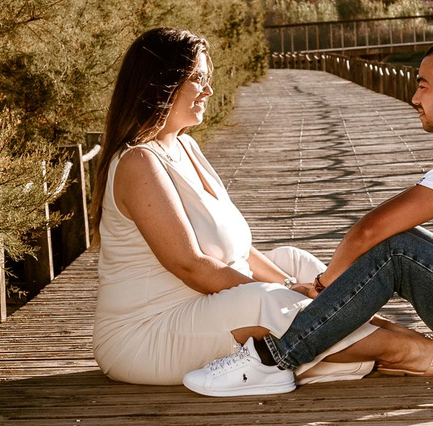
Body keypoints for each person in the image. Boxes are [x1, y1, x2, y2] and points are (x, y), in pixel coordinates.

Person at [184, 35, 433, 398]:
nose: (414, 97)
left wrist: (324, 284)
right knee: (408, 242)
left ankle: (274, 359)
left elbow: (370, 229)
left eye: (424, 84)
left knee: (397, 249)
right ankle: (294, 347)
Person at [91, 29, 393, 385]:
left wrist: (292, 284)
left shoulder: (187, 148)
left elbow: (241, 249)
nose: (209, 90)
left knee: (294, 263)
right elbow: (191, 266)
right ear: (161, 84)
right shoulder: (137, 162)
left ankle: (371, 338)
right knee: (266, 301)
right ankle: (406, 348)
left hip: (202, 309)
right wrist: (285, 294)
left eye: (208, 79)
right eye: (198, 79)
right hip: (148, 333)